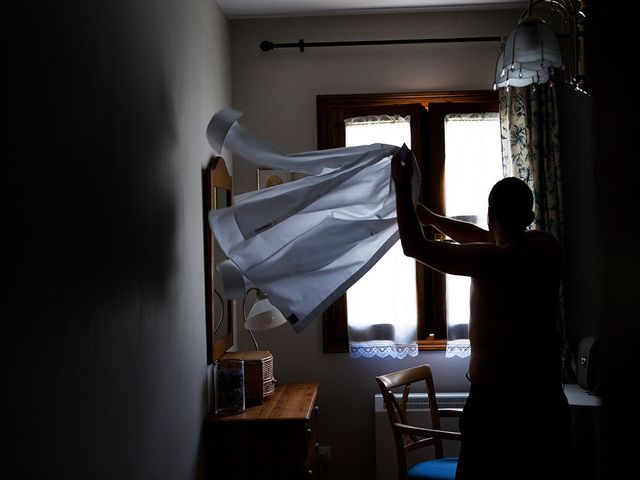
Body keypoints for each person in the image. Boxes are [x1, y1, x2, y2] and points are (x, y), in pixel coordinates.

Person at [391, 146, 572, 480]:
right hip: (543, 399)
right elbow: (487, 238)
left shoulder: (491, 261)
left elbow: (414, 247)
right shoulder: (545, 246)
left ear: (490, 215)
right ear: (529, 219)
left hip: (496, 407)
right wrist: (431, 218)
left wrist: (402, 191)